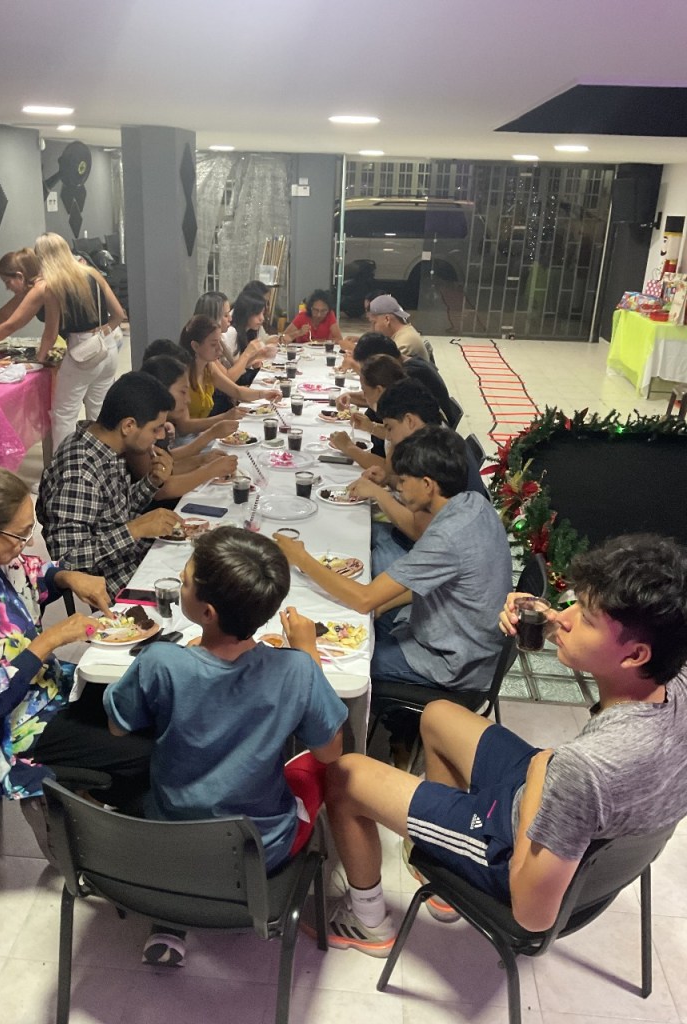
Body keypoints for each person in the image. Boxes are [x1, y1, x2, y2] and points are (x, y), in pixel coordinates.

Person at [315, 533, 687, 956]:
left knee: (345, 775)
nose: (565, 617)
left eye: (585, 618)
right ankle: (442, 875)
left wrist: (543, 770)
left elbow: (532, 916)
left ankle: (366, 921)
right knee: (437, 715)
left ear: (635, 655)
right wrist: (546, 622)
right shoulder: (672, 676)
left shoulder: (584, 770)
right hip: (549, 805)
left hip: (514, 852)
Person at [104, 526, 347, 965]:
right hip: (259, 849)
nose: (180, 586)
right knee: (317, 768)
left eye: (184, 582)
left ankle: (171, 916)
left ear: (208, 612)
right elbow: (330, 752)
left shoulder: (161, 662)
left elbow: (117, 727)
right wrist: (307, 651)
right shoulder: (296, 670)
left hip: (168, 838)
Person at [0, 466, 154, 857]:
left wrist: (67, 577)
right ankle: (109, 852)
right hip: (11, 729)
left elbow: (28, 570)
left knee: (149, 708)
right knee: (144, 754)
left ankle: (109, 825)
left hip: (48, 690)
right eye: (21, 534)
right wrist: (49, 640)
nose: (27, 543)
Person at [274, 426, 511, 694]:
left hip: (453, 663)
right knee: (354, 621)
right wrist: (383, 604)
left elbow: (364, 599)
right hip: (462, 638)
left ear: (427, 485)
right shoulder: (474, 502)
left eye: (404, 481)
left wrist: (301, 558)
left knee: (340, 669)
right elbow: (430, 582)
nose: (398, 487)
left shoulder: (447, 536)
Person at [37, 371, 182, 598]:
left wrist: (152, 482)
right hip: (118, 582)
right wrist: (135, 529)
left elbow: (112, 514)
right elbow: (65, 562)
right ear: (128, 425)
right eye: (156, 428)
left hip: (134, 558)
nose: (161, 435)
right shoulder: (79, 473)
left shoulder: (103, 447)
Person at [34, 233, 127, 448]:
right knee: (100, 411)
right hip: (107, 346)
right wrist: (103, 331)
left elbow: (50, 333)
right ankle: (103, 457)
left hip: (81, 351)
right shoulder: (92, 273)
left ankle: (64, 463)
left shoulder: (54, 286)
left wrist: (39, 359)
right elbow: (119, 314)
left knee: (64, 414)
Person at [130, 354, 238, 504]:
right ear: (162, 389)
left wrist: (202, 460)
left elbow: (168, 465)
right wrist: (208, 470)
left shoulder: (159, 422)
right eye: (183, 392)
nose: (188, 400)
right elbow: (161, 488)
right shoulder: (140, 428)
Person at [174, 315, 280, 436]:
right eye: (213, 344)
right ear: (195, 346)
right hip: (185, 440)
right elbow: (184, 426)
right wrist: (224, 417)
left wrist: (264, 394)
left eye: (219, 342)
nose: (219, 349)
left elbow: (236, 391)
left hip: (202, 434)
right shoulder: (182, 374)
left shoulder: (209, 366)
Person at [338, 332, 455, 436]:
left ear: (381, 361)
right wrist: (350, 396)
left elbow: (394, 436)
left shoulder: (409, 378)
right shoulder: (407, 366)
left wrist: (351, 446)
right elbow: (373, 394)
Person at [0, 249, 58, 359]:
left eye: (7, 282)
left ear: (20, 276)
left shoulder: (41, 288)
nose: (7, 288)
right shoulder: (28, 289)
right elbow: (3, 315)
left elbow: (12, 325)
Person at [368, 295, 431, 363]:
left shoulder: (404, 343)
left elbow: (381, 368)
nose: (372, 329)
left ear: (387, 319)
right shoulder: (405, 333)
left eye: (374, 322)